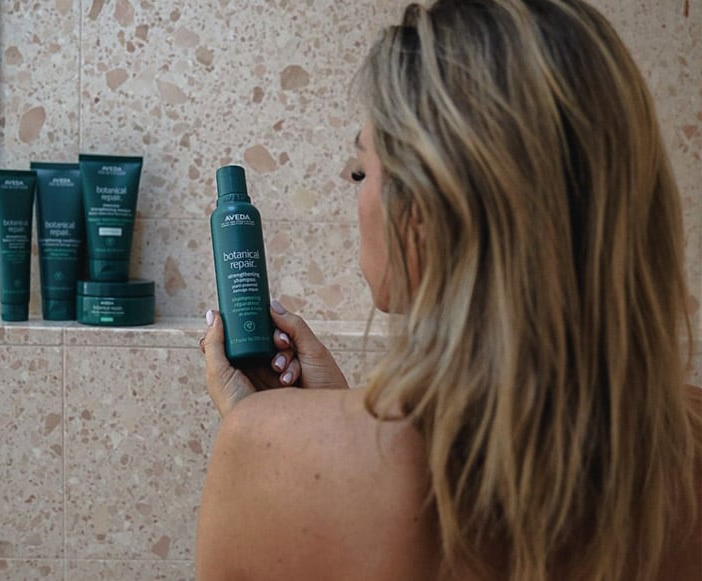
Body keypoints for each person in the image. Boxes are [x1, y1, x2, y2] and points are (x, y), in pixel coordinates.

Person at [196, 0, 702, 579]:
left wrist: (277, 439)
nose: (358, 195)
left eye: (362, 172)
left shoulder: (264, 449)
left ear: (427, 207)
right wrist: (320, 417)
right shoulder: (686, 440)